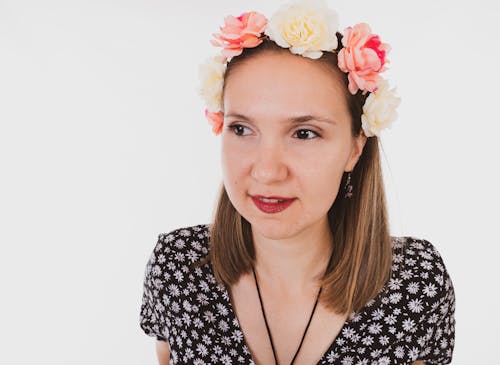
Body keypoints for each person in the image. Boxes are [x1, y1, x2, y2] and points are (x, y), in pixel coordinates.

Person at [139, 0, 456, 364]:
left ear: (355, 148)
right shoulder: (178, 268)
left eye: (304, 133)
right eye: (242, 128)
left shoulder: (414, 282)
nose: (267, 172)